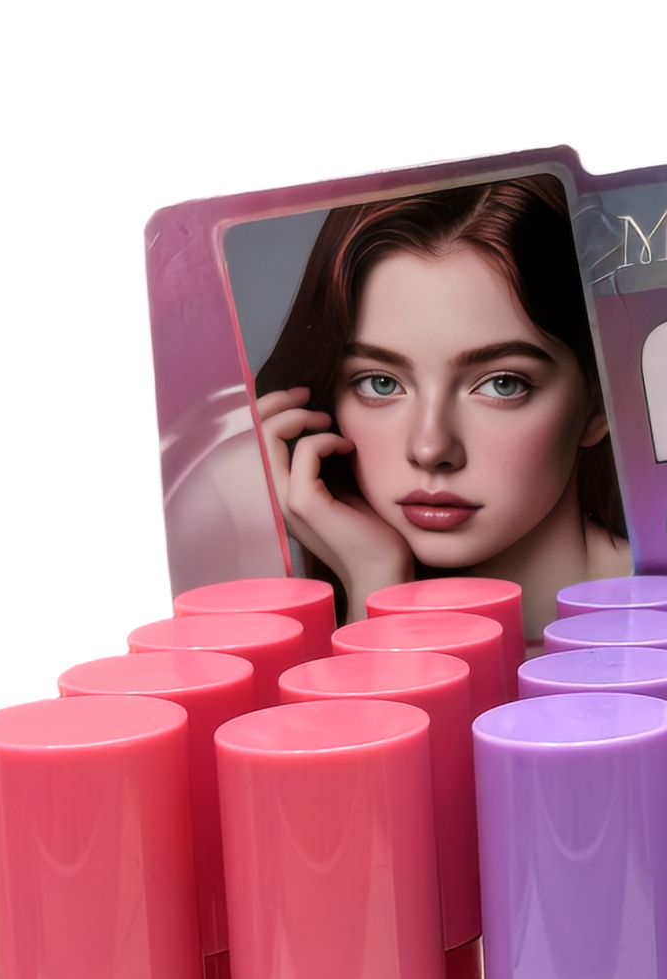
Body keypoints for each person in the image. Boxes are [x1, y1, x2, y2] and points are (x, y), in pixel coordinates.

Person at [252, 175, 629, 636]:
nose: (429, 448)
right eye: (380, 383)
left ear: (597, 402)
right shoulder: (289, 640)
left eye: (503, 385)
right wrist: (376, 583)